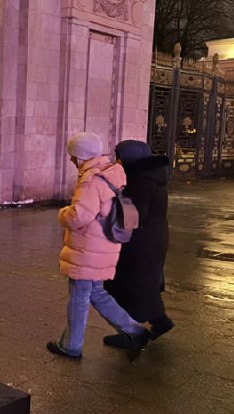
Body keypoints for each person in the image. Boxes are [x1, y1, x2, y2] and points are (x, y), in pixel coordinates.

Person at [47, 132, 148, 359]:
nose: (71, 160)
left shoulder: (91, 181)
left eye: (73, 156)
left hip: (88, 249)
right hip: (104, 244)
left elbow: (79, 216)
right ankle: (133, 330)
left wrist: (63, 213)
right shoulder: (111, 171)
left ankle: (71, 345)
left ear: (81, 157)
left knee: (79, 296)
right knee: (96, 293)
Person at [104, 140, 173, 344]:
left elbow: (135, 215)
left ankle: (131, 334)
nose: (116, 160)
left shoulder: (141, 180)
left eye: (118, 156)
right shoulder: (151, 176)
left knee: (132, 285)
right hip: (152, 237)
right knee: (144, 284)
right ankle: (160, 321)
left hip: (141, 241)